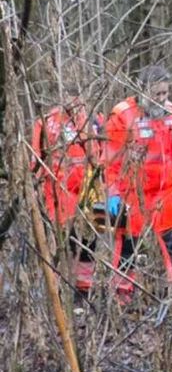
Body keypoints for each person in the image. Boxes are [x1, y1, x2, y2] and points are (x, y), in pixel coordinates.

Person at [104, 65, 172, 296]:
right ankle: (122, 295)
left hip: (166, 191)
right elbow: (110, 160)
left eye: (165, 93)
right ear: (142, 90)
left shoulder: (171, 113)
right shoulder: (123, 115)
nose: (161, 99)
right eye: (156, 94)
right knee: (128, 245)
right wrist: (113, 193)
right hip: (134, 193)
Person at [30, 87, 104, 292]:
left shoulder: (93, 120)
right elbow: (36, 159)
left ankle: (83, 289)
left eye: (77, 97)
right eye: (70, 96)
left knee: (88, 240)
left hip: (87, 190)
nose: (73, 101)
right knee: (60, 241)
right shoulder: (47, 121)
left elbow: (100, 156)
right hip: (57, 191)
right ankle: (55, 289)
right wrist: (35, 186)